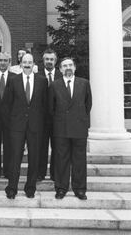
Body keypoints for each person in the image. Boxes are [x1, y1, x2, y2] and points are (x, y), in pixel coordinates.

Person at [5, 53, 48, 199]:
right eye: (25, 62)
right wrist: (11, 123)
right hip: (17, 126)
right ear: (20, 63)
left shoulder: (42, 81)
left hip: (35, 126)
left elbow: (45, 105)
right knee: (15, 158)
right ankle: (12, 188)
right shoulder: (13, 80)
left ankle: (30, 188)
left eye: (30, 61)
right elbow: (7, 104)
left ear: (34, 63)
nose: (27, 64)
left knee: (34, 158)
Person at [49, 57, 92, 200]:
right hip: (61, 128)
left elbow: (88, 105)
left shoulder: (84, 83)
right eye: (64, 66)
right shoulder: (55, 85)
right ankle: (61, 188)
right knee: (61, 159)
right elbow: (51, 108)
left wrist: (82, 120)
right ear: (60, 69)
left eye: (70, 65)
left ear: (74, 68)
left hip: (79, 127)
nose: (67, 68)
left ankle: (79, 189)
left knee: (79, 160)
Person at [0, 52, 17, 179]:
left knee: (9, 145)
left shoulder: (16, 77)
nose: (3, 63)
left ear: (9, 62)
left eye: (5, 60)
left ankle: (8, 171)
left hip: (10, 118)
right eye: (0, 60)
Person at [37, 49, 62, 181]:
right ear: (43, 60)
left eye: (51, 59)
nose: (49, 62)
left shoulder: (61, 75)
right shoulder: (37, 75)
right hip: (41, 119)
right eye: (47, 59)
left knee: (57, 147)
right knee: (41, 148)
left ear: (55, 61)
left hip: (57, 119)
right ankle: (40, 174)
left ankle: (54, 174)